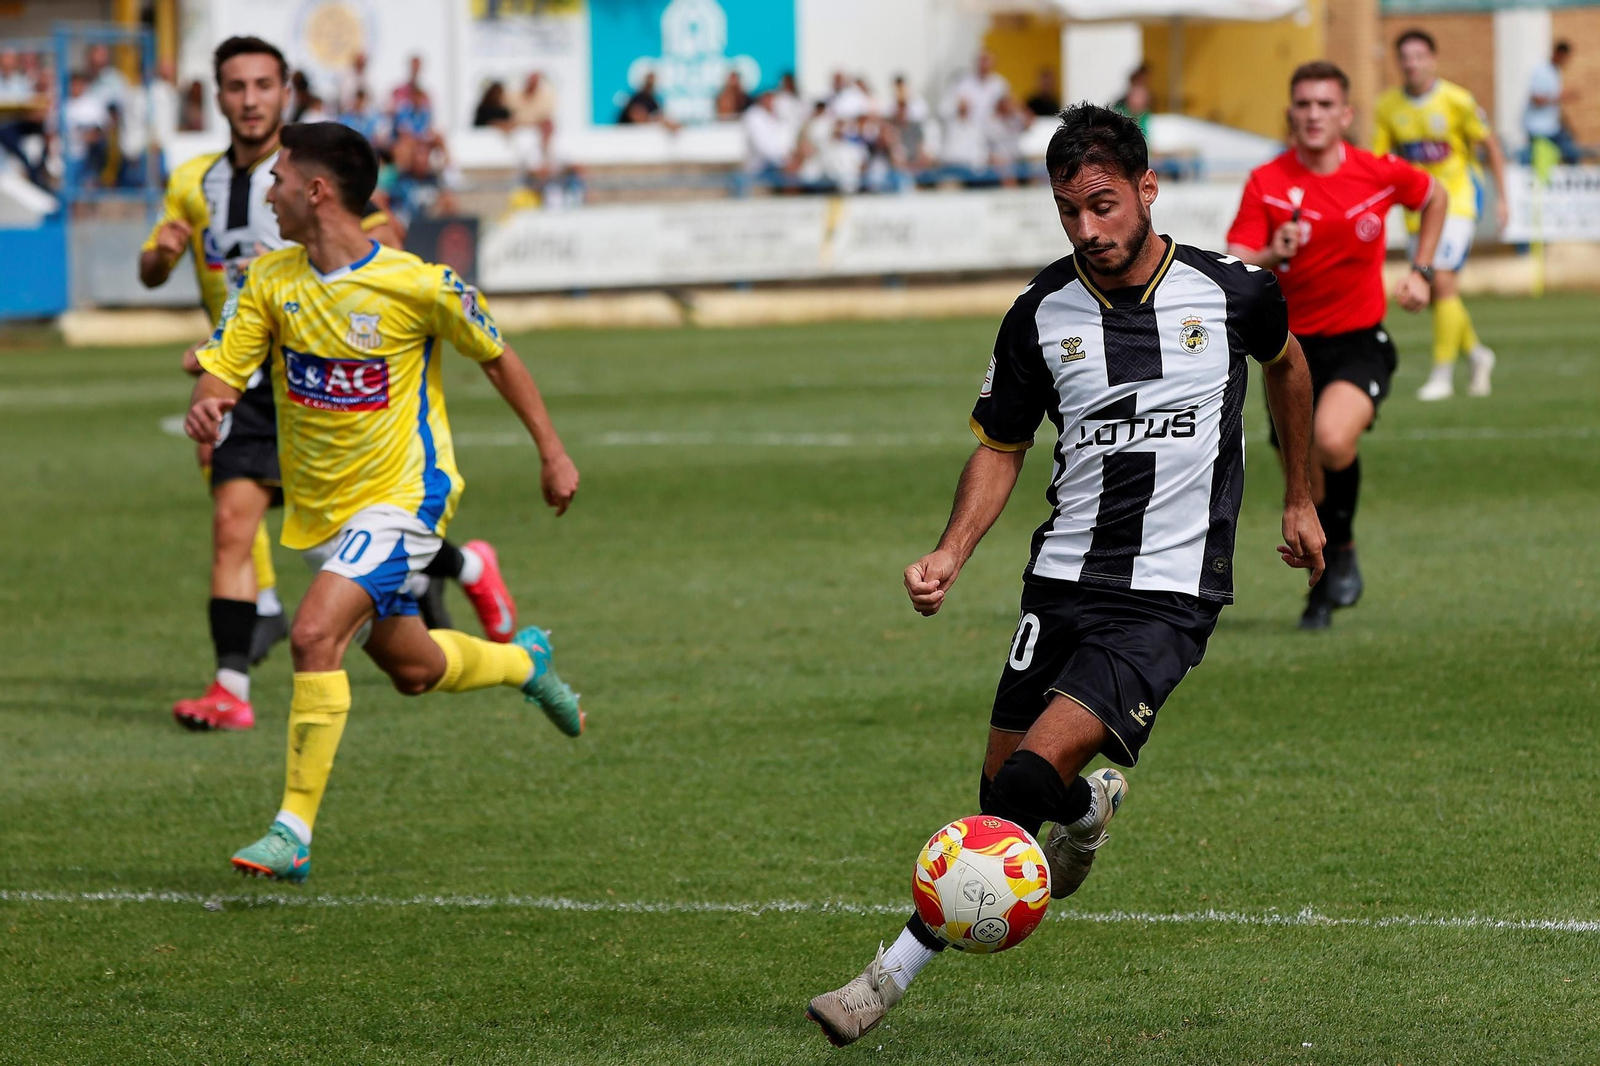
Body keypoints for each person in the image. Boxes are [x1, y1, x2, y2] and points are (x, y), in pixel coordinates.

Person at [805, 103, 1323, 1046]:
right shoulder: (1039, 314)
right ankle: (1087, 808)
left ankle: (886, 975)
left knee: (1012, 797)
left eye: (1103, 205)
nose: (1088, 231)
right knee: (1008, 780)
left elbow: (1288, 365)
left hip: (1168, 596)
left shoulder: (1233, 292)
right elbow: (1002, 446)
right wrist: (951, 552)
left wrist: (1299, 498)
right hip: (1062, 582)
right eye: (1068, 212)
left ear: (1147, 189)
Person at [182, 120, 584, 880]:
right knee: (415, 668)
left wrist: (552, 451)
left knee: (311, 636)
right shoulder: (270, 281)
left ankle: (292, 828)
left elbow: (498, 356)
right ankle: (526, 667)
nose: (267, 191)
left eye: (277, 179)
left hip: (406, 498)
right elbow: (223, 368)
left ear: (316, 189)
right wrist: (210, 402)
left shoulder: (418, 284)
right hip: (324, 515)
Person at [139, 37, 519, 733]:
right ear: (218, 95)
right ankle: (230, 686)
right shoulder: (193, 182)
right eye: (234, 86)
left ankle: (463, 570)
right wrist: (161, 258)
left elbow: (379, 242)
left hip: (327, 376)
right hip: (244, 380)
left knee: (348, 538)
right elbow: (152, 268)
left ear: (285, 90)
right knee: (233, 525)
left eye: (262, 85)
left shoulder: (313, 171)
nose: (249, 99)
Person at [1227, 61, 1446, 630]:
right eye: (1304, 104)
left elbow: (1436, 197)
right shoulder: (1267, 181)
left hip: (1359, 341)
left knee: (1330, 436)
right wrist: (1274, 250)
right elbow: (1235, 258)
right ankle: (1324, 586)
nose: (1314, 114)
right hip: (1288, 355)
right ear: (1290, 114)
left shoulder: (1377, 172)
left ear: (1346, 115)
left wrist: (1421, 269)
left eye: (1325, 104)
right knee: (1307, 488)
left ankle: (1342, 552)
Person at [1373, 29, 1506, 401]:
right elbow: (1380, 163)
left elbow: (1490, 144)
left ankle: (1442, 377)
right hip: (1419, 211)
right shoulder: (1388, 106)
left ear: (1433, 59)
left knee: (1441, 279)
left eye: (1419, 56)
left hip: (1458, 201)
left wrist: (1503, 199)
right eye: (1405, 57)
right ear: (1398, 62)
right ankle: (1478, 355)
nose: (1412, 63)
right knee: (1432, 289)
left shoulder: (1456, 100)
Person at [1525, 40, 1580, 165]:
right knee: (1538, 160)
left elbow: (1555, 104)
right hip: (1537, 127)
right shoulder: (1541, 71)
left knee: (1571, 153)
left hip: (1552, 126)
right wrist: (1561, 97)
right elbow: (1537, 99)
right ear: (1558, 54)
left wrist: (1567, 124)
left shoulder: (1555, 73)